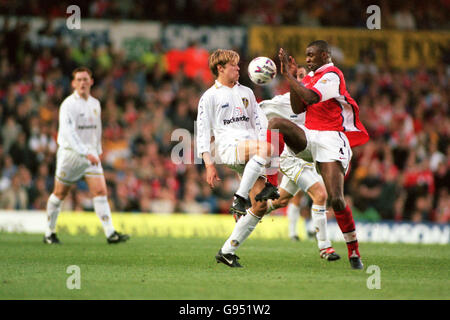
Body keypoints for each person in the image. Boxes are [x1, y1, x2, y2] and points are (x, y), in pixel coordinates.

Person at [269, 41, 369, 269]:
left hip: (332, 140)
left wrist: (291, 77)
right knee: (275, 123)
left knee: (336, 199)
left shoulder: (333, 75)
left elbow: (313, 98)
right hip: (310, 137)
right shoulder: (310, 77)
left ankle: (353, 251)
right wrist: (291, 77)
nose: (309, 59)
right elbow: (297, 108)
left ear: (325, 54)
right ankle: (271, 181)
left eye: (312, 55)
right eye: (306, 55)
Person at [196, 49, 279, 268]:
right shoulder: (210, 96)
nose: (238, 68)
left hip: (252, 152)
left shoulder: (247, 92)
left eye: (238, 65)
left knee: (260, 206)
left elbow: (259, 123)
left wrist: (262, 151)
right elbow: (203, 132)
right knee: (269, 147)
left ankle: (227, 251)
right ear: (220, 68)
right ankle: (238, 198)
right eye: (234, 65)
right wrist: (209, 164)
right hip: (229, 148)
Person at [258, 66, 340, 261]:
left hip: (310, 158)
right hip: (290, 157)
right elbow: (257, 110)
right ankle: (324, 247)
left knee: (282, 200)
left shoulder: (320, 103)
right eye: (300, 76)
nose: (305, 79)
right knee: (320, 194)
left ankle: (250, 211)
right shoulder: (285, 101)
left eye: (308, 76)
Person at [44, 67, 130, 245]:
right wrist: (86, 152)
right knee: (59, 194)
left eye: (85, 79)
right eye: (79, 80)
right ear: (73, 83)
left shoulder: (95, 104)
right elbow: (69, 133)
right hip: (70, 155)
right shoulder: (68, 105)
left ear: (91, 82)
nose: (82, 83)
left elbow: (96, 130)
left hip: (90, 154)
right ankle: (49, 233)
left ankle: (110, 233)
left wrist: (97, 150)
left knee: (100, 191)